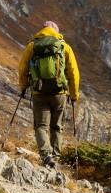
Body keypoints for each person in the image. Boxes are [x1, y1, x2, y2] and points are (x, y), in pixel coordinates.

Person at [17, 21, 80, 167]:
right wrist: (74, 95)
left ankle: (46, 156)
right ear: (56, 31)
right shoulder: (64, 47)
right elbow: (74, 73)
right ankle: (56, 157)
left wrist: (23, 86)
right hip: (60, 93)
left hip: (39, 92)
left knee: (41, 126)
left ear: (43, 29)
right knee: (57, 127)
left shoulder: (32, 46)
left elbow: (22, 68)